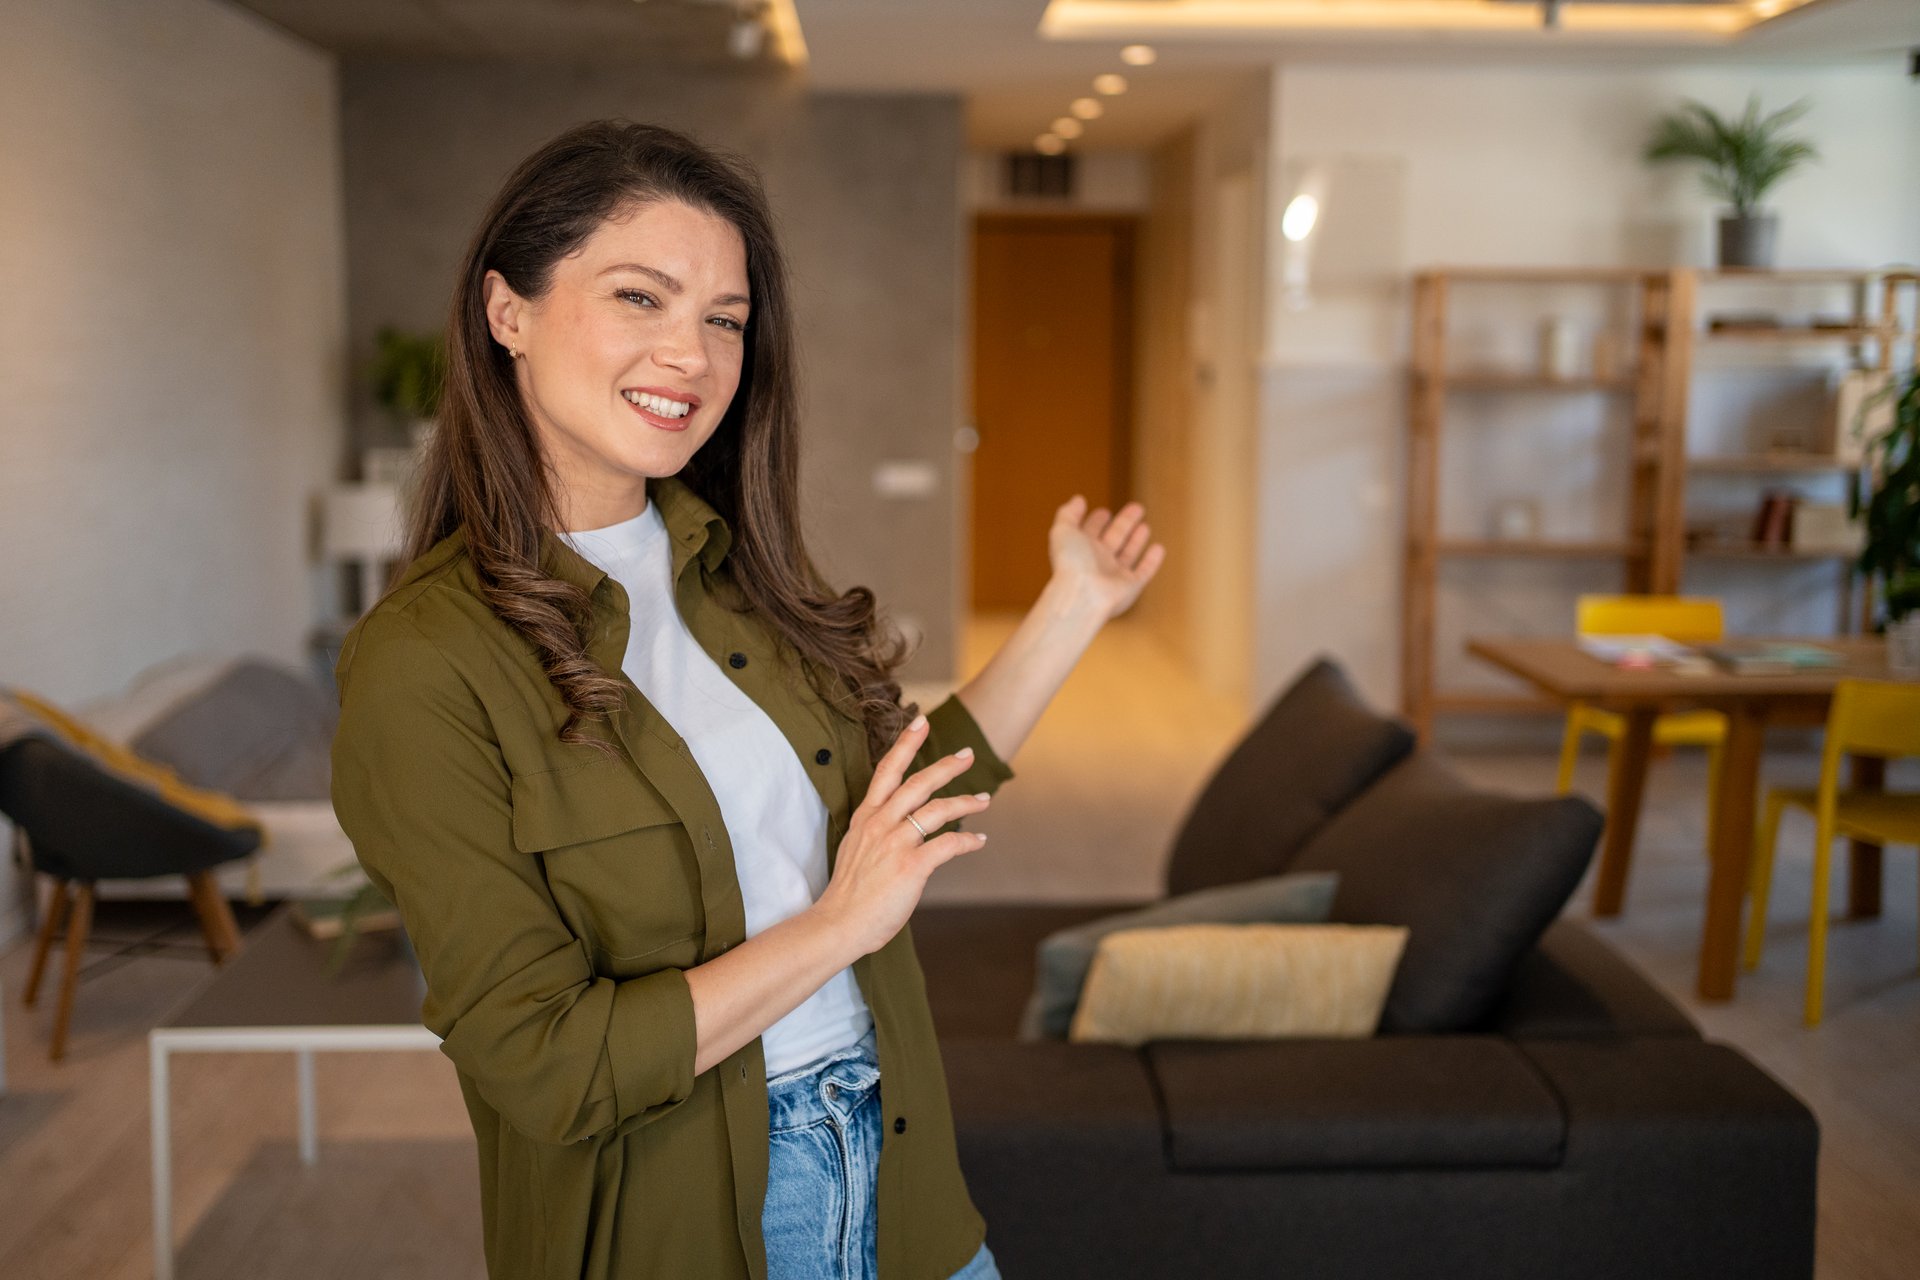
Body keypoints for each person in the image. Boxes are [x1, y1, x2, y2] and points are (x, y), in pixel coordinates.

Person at [330, 119, 1165, 1280]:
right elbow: (545, 1064)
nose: (692, 353)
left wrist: (1076, 603)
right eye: (640, 297)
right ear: (506, 310)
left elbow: (899, 809)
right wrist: (838, 926)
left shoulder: (736, 569)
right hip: (696, 1223)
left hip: (907, 1180)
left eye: (725, 319)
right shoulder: (424, 663)